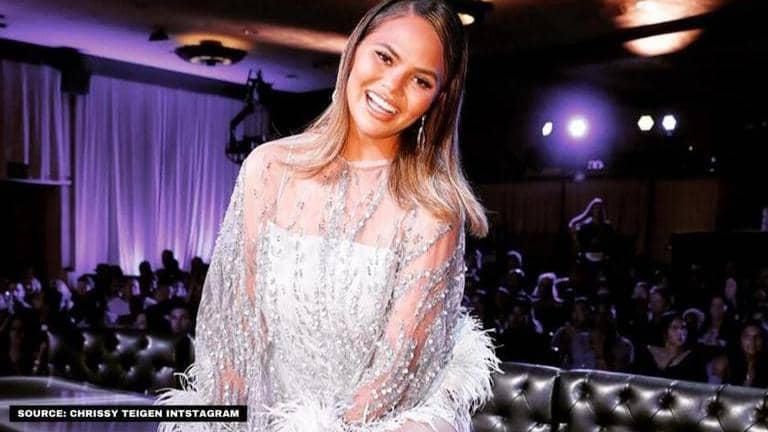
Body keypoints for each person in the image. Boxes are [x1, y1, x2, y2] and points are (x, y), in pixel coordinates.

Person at [155, 1, 500, 431]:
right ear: (354, 51)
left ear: (438, 99)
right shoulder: (268, 169)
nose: (391, 86)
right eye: (385, 57)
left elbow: (395, 374)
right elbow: (235, 328)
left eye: (420, 80)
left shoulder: (432, 210)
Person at [633, 311, 707, 382]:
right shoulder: (647, 353)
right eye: (675, 328)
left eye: (683, 327)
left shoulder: (692, 359)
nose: (681, 332)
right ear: (664, 331)